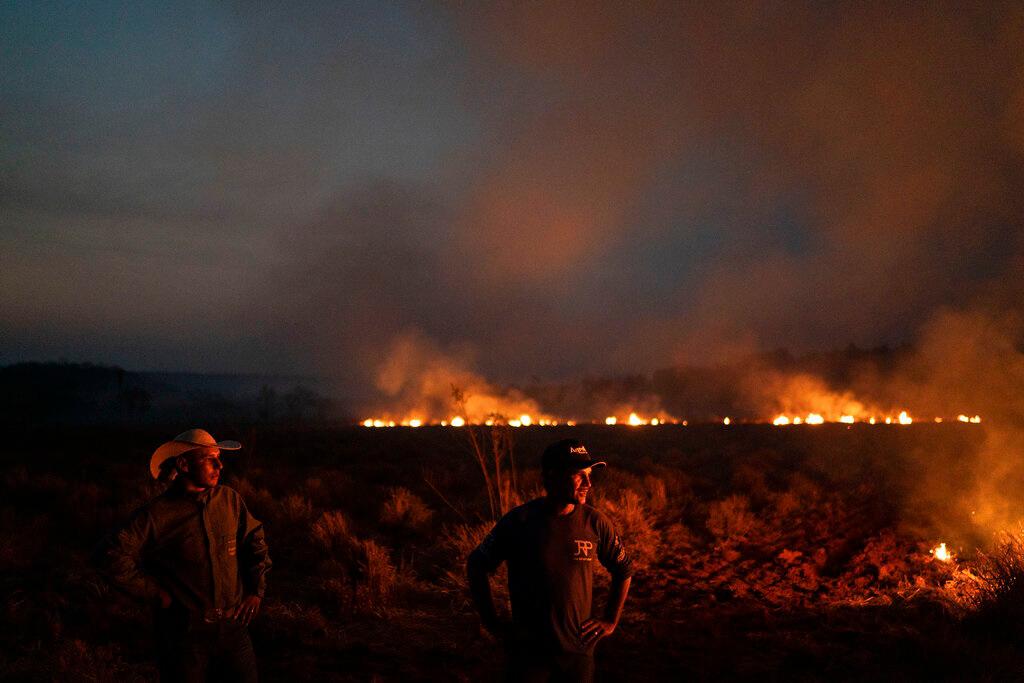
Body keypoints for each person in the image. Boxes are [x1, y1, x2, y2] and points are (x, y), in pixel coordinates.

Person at [103, 428, 271, 682]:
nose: (219, 465)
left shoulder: (229, 500)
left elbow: (255, 539)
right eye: (209, 459)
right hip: (185, 636)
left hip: (233, 628)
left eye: (219, 457)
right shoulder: (157, 514)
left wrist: (256, 591)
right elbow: (112, 555)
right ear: (183, 464)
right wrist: (153, 592)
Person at [468, 439, 633, 683]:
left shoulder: (595, 522)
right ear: (552, 476)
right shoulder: (519, 521)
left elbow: (624, 569)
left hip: (578, 653)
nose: (588, 483)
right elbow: (476, 565)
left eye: (589, 475)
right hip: (529, 655)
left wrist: (610, 619)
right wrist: (492, 623)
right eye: (579, 475)